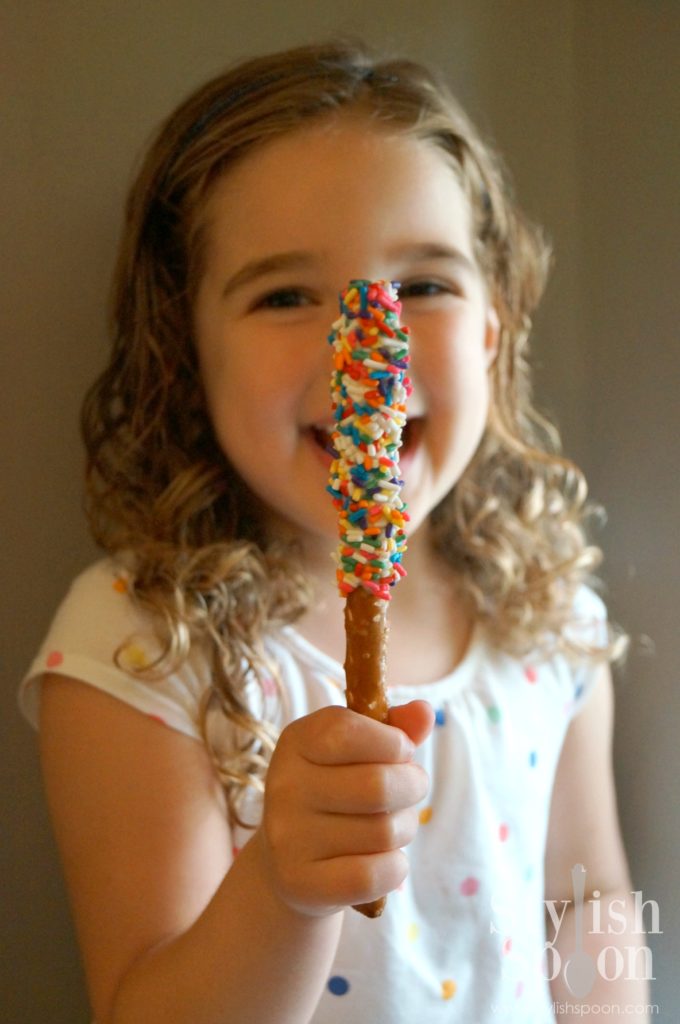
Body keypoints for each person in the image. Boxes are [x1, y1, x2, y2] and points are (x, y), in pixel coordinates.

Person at [21, 41, 649, 1024]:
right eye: (284, 295)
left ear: (490, 328)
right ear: (190, 351)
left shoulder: (549, 618)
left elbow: (587, 902)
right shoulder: (139, 640)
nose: (366, 347)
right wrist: (280, 886)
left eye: (423, 286)